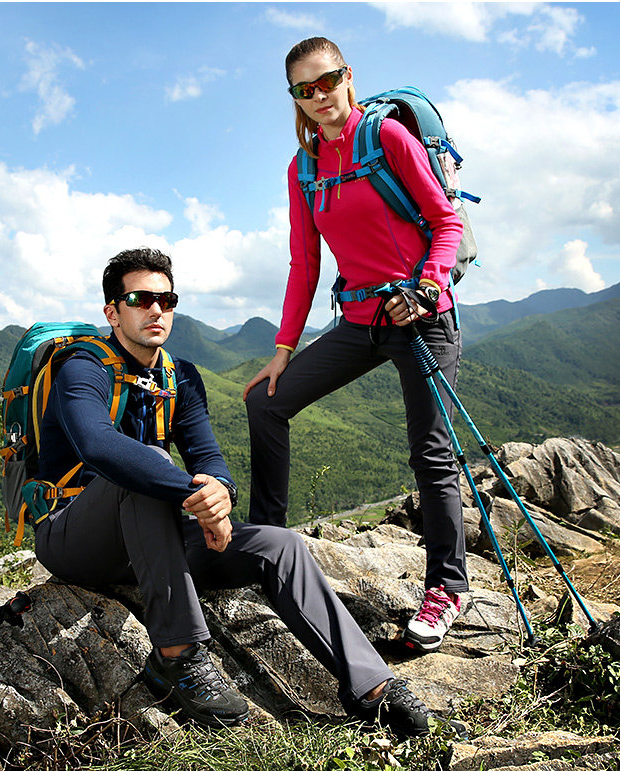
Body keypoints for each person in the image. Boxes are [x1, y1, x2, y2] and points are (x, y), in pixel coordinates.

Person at [33, 246, 464, 737]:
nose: (156, 310)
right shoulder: (82, 367)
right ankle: (178, 655)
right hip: (74, 538)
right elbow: (97, 445)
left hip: (151, 541)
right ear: (112, 312)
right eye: (140, 299)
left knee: (279, 544)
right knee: (149, 462)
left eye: (167, 300)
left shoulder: (180, 377)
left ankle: (373, 686)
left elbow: (209, 457)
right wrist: (196, 497)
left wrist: (221, 493)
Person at [243, 37, 469, 654]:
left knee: (431, 454)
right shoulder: (304, 168)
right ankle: (267, 545)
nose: (319, 96)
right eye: (304, 89)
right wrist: (284, 348)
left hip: (421, 317)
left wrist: (427, 287)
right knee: (265, 401)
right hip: (362, 320)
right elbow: (304, 262)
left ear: (348, 76)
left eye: (327, 81)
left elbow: (445, 220)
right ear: (294, 97)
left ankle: (447, 588)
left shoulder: (387, 137)